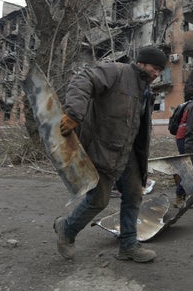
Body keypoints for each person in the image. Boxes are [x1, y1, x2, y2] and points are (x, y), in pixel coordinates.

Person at [53, 45, 167, 263]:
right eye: (155, 68)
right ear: (141, 62)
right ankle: (66, 229)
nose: (157, 74)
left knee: (134, 195)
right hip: (103, 150)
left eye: (160, 70)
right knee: (98, 200)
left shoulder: (146, 91)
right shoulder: (117, 72)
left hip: (130, 153)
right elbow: (82, 80)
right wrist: (74, 113)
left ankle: (128, 246)